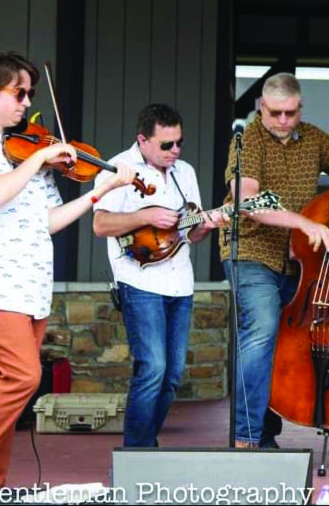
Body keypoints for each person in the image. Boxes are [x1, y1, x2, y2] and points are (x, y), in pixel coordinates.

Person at [0, 51, 135, 504]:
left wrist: (97, 193)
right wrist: (41, 157)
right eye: (18, 93)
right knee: (23, 378)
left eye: (29, 93)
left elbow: (45, 220)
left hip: (30, 285)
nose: (27, 102)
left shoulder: (28, 151)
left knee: (4, 383)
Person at [221, 72, 329, 449]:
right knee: (261, 333)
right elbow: (248, 203)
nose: (281, 121)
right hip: (251, 251)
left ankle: (265, 433)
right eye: (274, 113)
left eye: (289, 113)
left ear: (299, 109)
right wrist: (303, 222)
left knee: (283, 344)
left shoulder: (312, 137)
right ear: (262, 107)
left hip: (297, 260)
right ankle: (245, 438)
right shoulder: (247, 141)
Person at [92, 104, 228, 448]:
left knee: (171, 375)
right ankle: (136, 452)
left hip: (180, 281)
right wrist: (147, 215)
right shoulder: (117, 169)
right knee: (151, 367)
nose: (176, 151)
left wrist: (208, 225)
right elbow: (101, 224)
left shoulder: (186, 172)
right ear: (143, 140)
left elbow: (190, 233)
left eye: (179, 142)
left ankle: (146, 442)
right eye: (166, 145)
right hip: (139, 281)